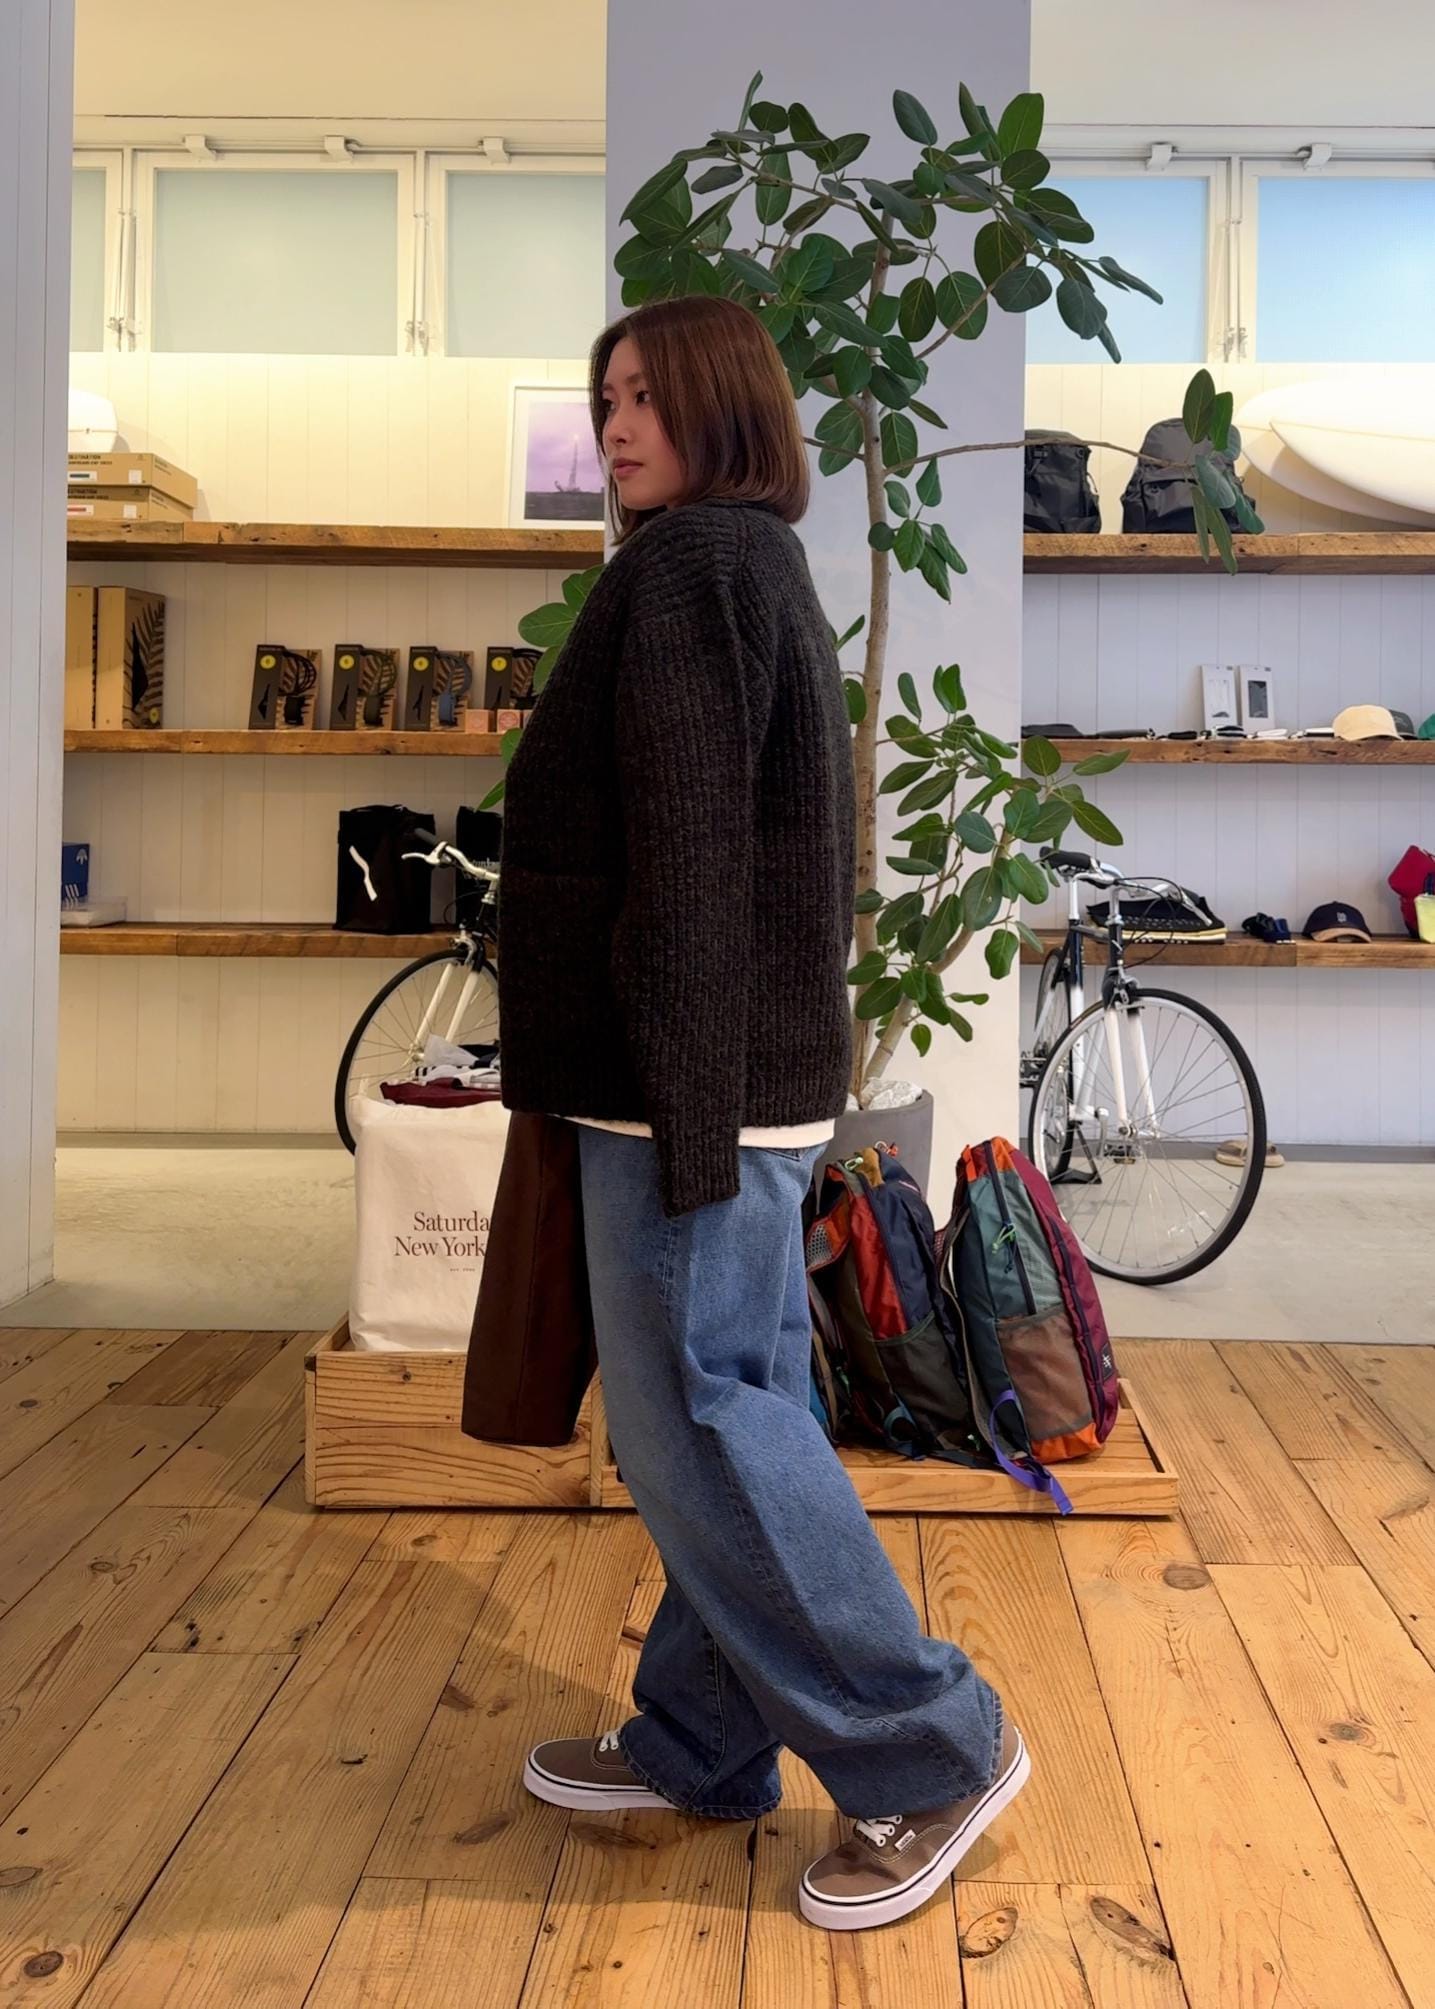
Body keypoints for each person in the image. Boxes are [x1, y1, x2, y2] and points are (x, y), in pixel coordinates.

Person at [496, 292, 1026, 1932]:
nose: (618, 423)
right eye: (607, 397)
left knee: (700, 1423)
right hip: (732, 1085)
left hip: (685, 1099)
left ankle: (933, 1747)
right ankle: (704, 1741)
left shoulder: (688, 570)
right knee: (742, 1408)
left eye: (649, 394)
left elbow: (694, 864)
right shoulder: (751, 562)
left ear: (725, 405)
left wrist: (685, 1118)